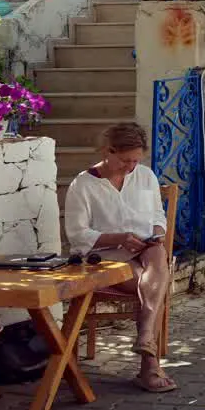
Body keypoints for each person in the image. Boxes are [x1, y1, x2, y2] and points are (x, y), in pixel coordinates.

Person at [64, 123, 177, 393]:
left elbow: (157, 217)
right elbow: (77, 235)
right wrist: (119, 238)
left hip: (146, 250)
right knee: (150, 283)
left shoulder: (145, 175)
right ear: (107, 151)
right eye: (125, 160)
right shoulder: (83, 184)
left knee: (157, 255)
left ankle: (145, 342)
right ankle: (149, 364)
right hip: (103, 256)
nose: (130, 166)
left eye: (136, 160)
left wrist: (158, 233)